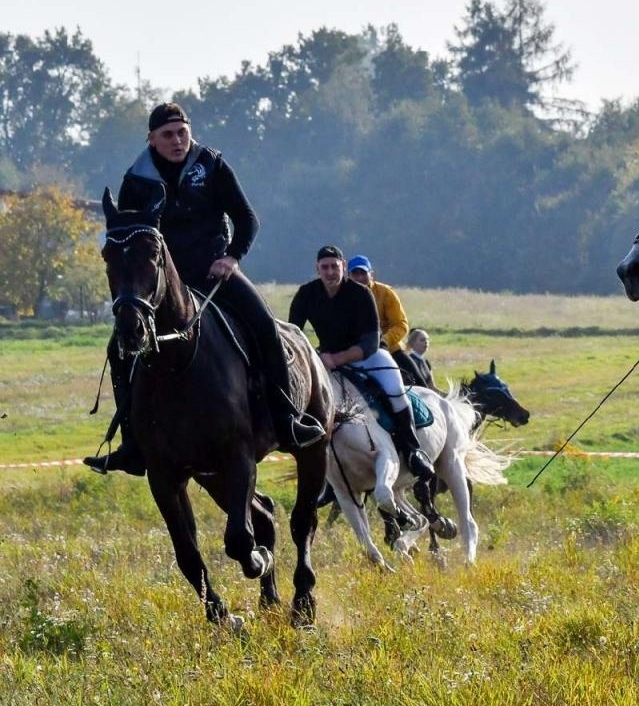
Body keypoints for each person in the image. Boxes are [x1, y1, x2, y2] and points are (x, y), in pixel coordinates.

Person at [84, 102, 324, 476]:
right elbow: (130, 242)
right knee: (120, 348)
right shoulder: (136, 180)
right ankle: (132, 443)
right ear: (151, 139)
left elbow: (247, 219)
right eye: (168, 135)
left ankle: (286, 416)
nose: (178, 140)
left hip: (216, 272)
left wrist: (232, 256)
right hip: (165, 283)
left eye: (182, 132)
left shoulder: (212, 164)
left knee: (263, 325)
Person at [288, 246, 434, 480]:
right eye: (324, 267)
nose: (329, 272)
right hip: (327, 358)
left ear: (343, 266)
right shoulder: (306, 294)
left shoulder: (360, 293)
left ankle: (412, 450)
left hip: (368, 356)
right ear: (317, 269)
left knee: (395, 390)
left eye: (334, 267)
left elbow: (370, 342)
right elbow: (294, 331)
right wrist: (313, 357)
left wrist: (336, 359)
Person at [347, 254, 428, 386]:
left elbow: (401, 325)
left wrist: (383, 341)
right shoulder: (342, 296)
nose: (360, 277)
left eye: (363, 273)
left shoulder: (386, 293)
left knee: (421, 386)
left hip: (390, 350)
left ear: (371, 274)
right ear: (348, 276)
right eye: (355, 274)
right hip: (353, 352)